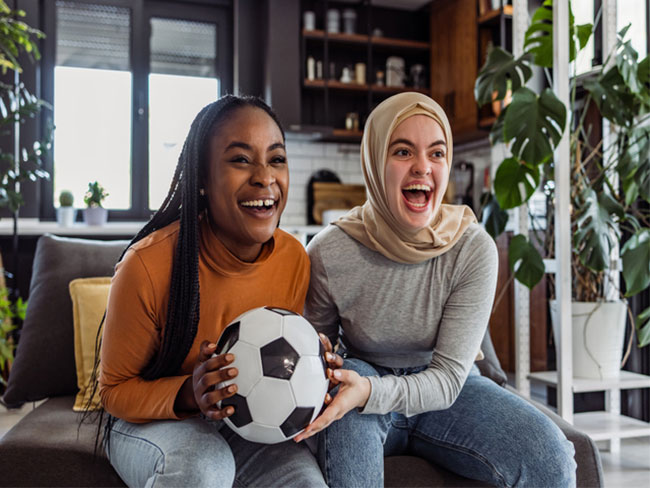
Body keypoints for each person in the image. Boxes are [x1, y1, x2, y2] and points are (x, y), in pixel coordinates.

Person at [295, 92, 577, 487]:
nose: (422, 168)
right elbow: (317, 356)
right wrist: (328, 368)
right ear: (375, 161)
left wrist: (373, 391)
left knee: (553, 459)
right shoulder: (329, 252)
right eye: (403, 151)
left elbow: (447, 379)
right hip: (362, 384)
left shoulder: (472, 248)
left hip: (449, 389)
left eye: (437, 153)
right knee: (348, 381)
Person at [98, 95, 331, 488]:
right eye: (241, 159)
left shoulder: (295, 259)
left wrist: (315, 368)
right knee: (203, 468)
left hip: (242, 424)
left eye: (276, 159)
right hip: (149, 423)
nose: (264, 177)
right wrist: (191, 392)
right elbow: (114, 392)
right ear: (203, 179)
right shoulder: (147, 264)